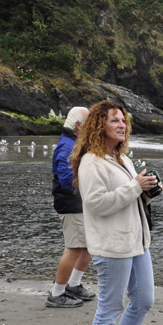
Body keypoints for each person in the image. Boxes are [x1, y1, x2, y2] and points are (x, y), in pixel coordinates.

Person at [70, 100, 162, 325]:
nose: (122, 125)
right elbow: (96, 204)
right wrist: (135, 186)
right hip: (112, 246)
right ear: (99, 125)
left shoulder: (121, 159)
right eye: (114, 120)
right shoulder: (92, 162)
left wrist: (148, 191)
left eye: (123, 120)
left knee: (143, 301)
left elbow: (130, 197)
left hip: (137, 242)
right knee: (110, 308)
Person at [47, 106, 95, 308]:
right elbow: (67, 182)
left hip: (77, 203)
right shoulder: (67, 146)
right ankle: (57, 294)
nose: (93, 126)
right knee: (74, 248)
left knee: (88, 246)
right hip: (70, 204)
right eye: (89, 122)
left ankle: (73, 285)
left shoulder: (75, 143)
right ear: (78, 125)